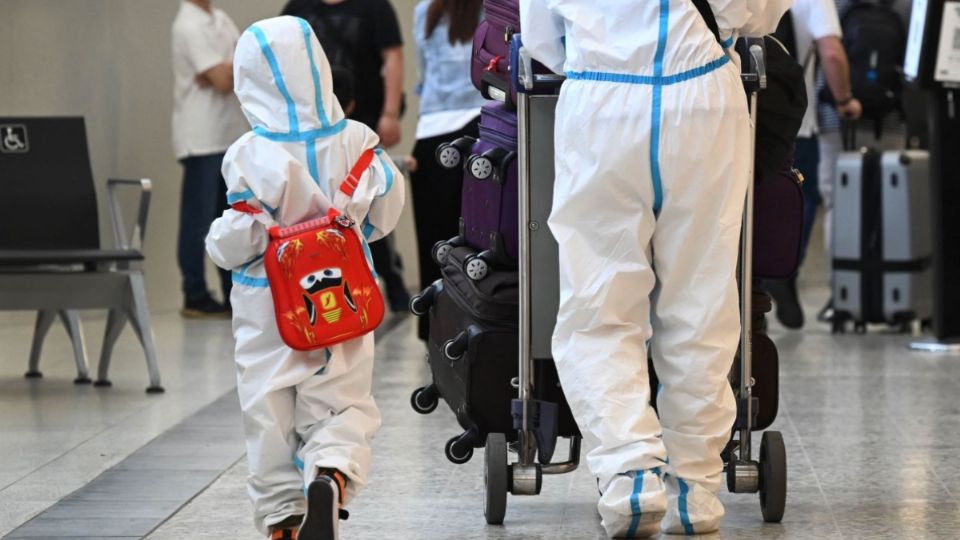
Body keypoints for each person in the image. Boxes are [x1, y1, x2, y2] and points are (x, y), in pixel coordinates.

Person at [520, 0, 789, 536]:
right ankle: (694, 490)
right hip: (706, 97)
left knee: (599, 305)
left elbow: (542, 40)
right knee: (702, 303)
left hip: (601, 99)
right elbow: (763, 15)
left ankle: (630, 475)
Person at [205, 16, 404, 539]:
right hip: (344, 295)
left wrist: (218, 245)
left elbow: (239, 236)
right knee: (342, 398)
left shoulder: (250, 153)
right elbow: (385, 212)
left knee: (268, 406)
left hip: (267, 302)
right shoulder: (357, 140)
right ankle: (331, 472)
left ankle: (282, 519)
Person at [281, 0, 412, 312]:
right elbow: (282, 60)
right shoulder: (297, 9)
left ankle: (389, 281)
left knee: (363, 204)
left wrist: (391, 113)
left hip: (359, 119)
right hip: (309, 126)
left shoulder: (374, 8)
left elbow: (392, 58)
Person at [763, 0, 862, 329]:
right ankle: (784, 267)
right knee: (798, 198)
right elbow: (830, 51)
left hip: (742, 111)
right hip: (795, 119)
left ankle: (752, 278)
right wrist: (845, 100)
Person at [410, 0, 485, 340]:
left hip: (430, 137)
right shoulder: (494, 7)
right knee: (481, 242)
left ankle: (433, 326)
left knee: (435, 243)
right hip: (483, 130)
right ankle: (483, 324)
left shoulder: (426, 10)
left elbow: (424, 74)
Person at [171, 0, 247, 317]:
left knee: (229, 218)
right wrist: (229, 70)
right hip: (202, 137)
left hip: (227, 134)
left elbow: (248, 64)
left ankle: (232, 291)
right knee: (198, 221)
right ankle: (194, 292)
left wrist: (226, 67)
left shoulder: (220, 18)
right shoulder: (187, 25)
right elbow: (225, 81)